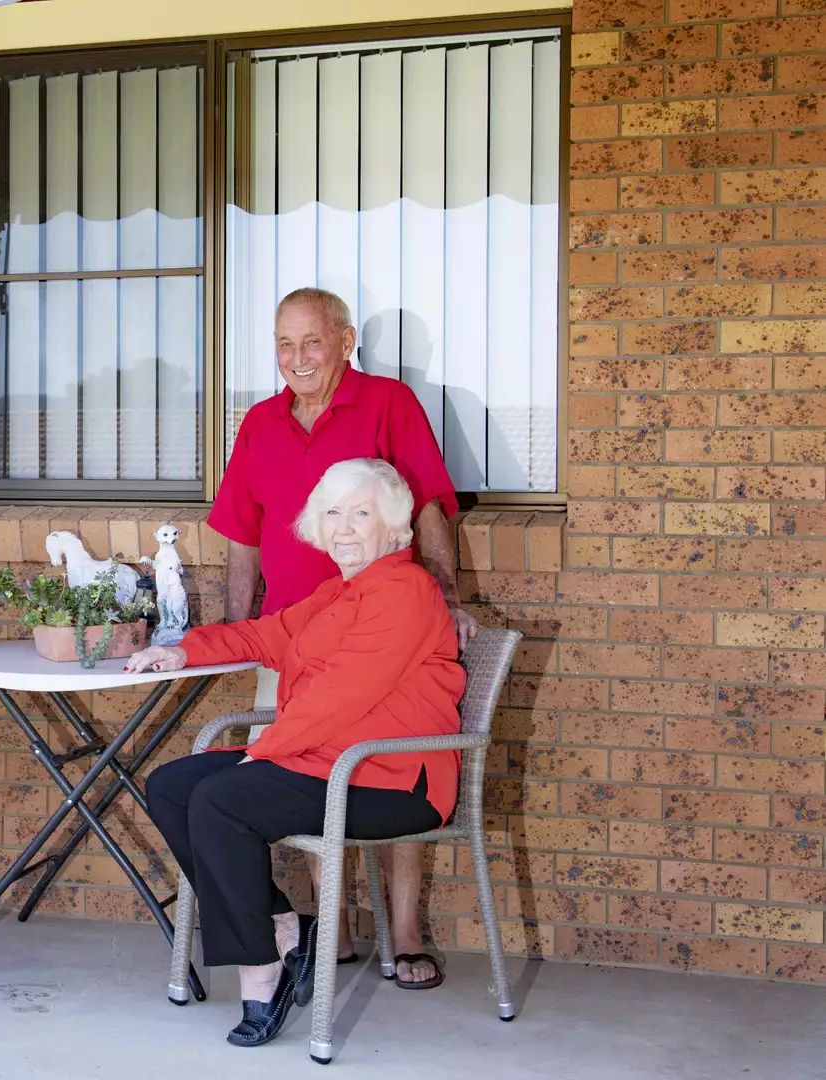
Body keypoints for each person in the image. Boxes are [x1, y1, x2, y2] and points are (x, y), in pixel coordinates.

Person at [129, 458, 466, 1046]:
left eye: (361, 513)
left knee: (222, 799)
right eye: (332, 512)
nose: (344, 528)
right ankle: (286, 926)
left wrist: (263, 753)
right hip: (324, 762)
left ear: (393, 526)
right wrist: (185, 651)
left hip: (390, 780)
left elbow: (340, 697)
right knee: (172, 787)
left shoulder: (407, 591)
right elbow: (267, 635)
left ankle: (261, 969)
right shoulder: (338, 592)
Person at [211, 286, 474, 987]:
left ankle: (406, 934)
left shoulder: (388, 403)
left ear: (345, 341)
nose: (297, 358)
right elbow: (241, 532)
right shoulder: (259, 423)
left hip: (382, 637)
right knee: (298, 776)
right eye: (284, 344)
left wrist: (446, 596)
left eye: (312, 342)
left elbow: (425, 505)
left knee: (389, 764)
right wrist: (238, 625)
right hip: (294, 637)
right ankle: (336, 930)